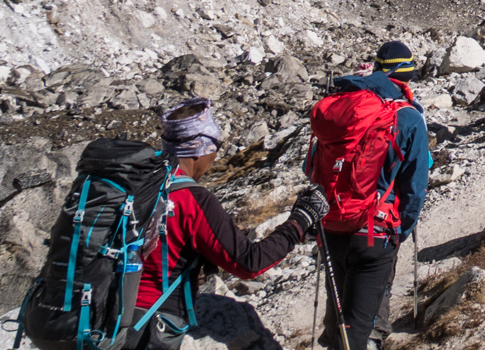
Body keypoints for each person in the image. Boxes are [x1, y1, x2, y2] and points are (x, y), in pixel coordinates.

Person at [132, 98, 327, 350]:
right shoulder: (191, 199)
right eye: (216, 144)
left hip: (93, 314)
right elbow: (249, 263)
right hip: (148, 325)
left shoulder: (133, 182)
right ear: (201, 148)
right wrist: (300, 221)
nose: (216, 154)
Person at [308, 42, 432, 350]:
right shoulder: (406, 116)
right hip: (375, 229)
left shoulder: (339, 105)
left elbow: (309, 167)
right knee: (361, 326)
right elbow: (415, 186)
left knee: (339, 308)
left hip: (332, 222)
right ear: (408, 76)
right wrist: (400, 230)